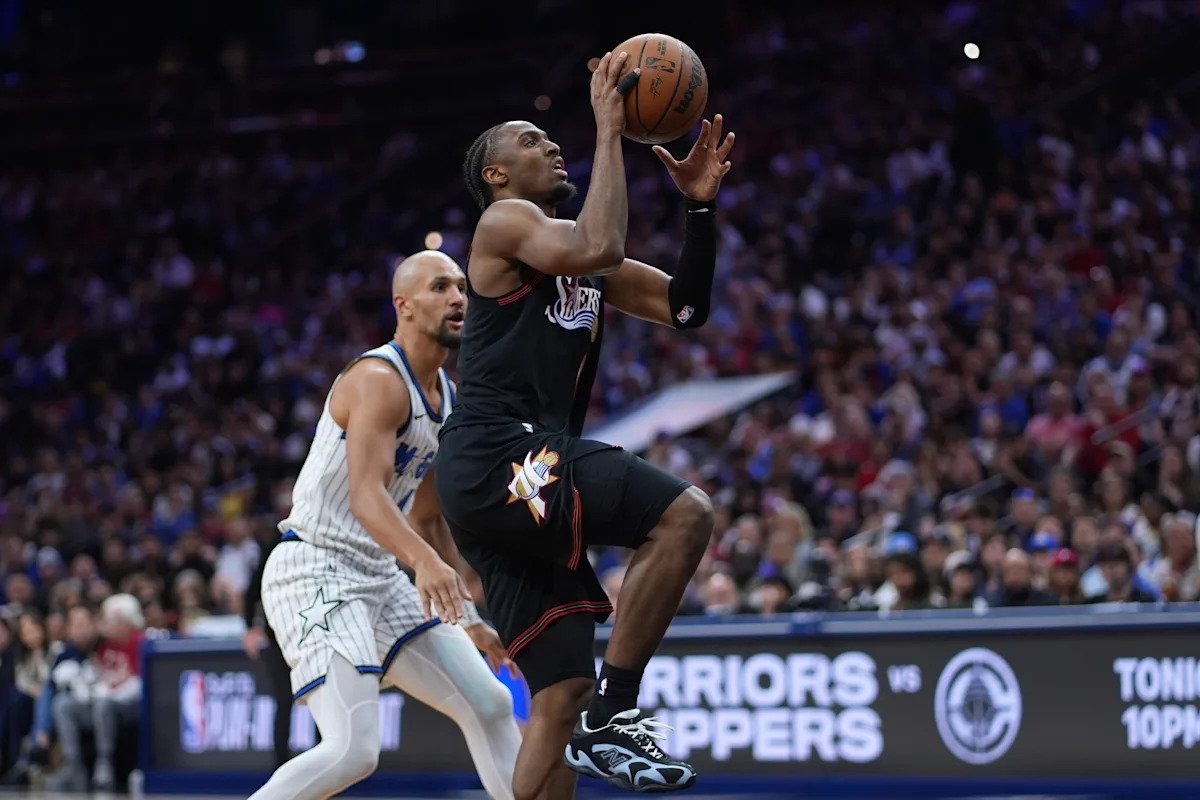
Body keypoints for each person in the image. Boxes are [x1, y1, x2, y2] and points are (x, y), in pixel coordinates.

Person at [438, 51, 734, 796]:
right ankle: (616, 713)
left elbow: (687, 308)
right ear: (497, 175)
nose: (550, 145)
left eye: (549, 137)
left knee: (559, 696)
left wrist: (699, 209)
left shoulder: (579, 252)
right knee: (685, 514)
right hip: (499, 455)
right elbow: (598, 244)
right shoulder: (505, 222)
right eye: (530, 140)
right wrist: (610, 128)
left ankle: (592, 714)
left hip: (511, 479)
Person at [250, 251, 522, 800]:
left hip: (378, 574)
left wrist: (467, 616)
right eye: (440, 287)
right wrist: (425, 562)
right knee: (352, 749)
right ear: (404, 306)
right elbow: (366, 496)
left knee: (490, 704)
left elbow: (425, 515)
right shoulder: (378, 378)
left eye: (462, 287)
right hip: (315, 567)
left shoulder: (447, 398)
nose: (458, 298)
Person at [242, 532, 294, 769]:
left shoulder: (322, 539)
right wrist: (250, 628)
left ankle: (327, 768)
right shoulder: (277, 542)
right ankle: (281, 768)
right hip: (278, 638)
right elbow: (252, 591)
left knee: (322, 703)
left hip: (313, 637)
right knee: (283, 702)